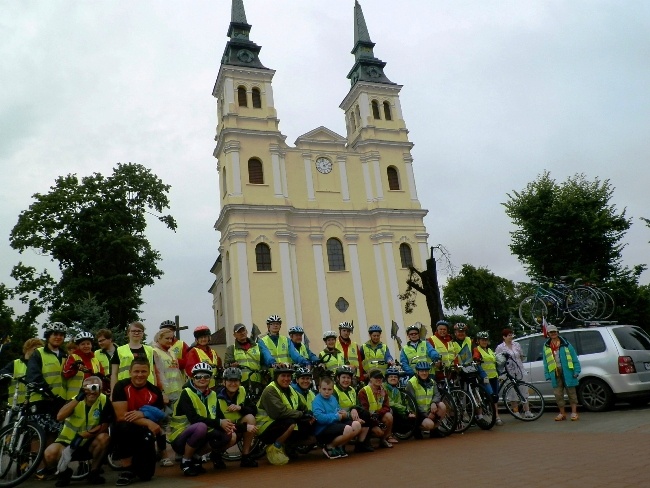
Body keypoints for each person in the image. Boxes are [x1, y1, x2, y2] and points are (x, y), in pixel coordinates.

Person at [43, 376, 113, 487]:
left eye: (94, 387)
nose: (91, 391)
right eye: (87, 388)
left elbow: (104, 426)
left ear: (101, 389)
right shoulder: (75, 400)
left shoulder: (104, 400)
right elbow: (60, 417)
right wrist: (77, 399)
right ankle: (64, 473)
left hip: (88, 443)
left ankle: (94, 472)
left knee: (104, 438)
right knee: (49, 454)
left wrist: (87, 434)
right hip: (68, 443)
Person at [169, 363, 236, 476]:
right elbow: (194, 419)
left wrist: (230, 426)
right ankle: (186, 461)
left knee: (229, 435)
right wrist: (219, 422)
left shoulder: (213, 394)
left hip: (201, 435)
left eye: (206, 376)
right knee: (201, 427)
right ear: (192, 378)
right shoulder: (186, 393)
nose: (202, 379)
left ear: (210, 378)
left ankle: (196, 456)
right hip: (180, 437)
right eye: (198, 376)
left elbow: (220, 417)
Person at [111, 358, 166, 486]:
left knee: (146, 476)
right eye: (136, 371)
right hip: (125, 427)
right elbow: (121, 416)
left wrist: (143, 413)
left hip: (143, 431)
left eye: (143, 371)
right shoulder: (121, 386)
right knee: (123, 427)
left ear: (149, 373)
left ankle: (139, 463)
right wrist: (147, 422)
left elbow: (158, 416)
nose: (139, 375)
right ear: (130, 372)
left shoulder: (155, 391)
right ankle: (126, 470)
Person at [26, 321, 68, 465]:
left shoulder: (65, 355)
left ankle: (47, 466)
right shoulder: (38, 353)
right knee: (37, 435)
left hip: (58, 401)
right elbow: (33, 375)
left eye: (61, 335)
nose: (58, 337)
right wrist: (47, 392)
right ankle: (36, 467)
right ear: (48, 336)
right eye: (55, 334)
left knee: (52, 433)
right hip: (40, 399)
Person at [255, 364, 315, 464]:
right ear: (276, 377)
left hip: (280, 423)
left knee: (308, 424)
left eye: (288, 376)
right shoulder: (270, 390)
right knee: (290, 422)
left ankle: (289, 446)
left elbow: (301, 405)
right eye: (283, 376)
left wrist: (308, 414)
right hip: (265, 427)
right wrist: (301, 414)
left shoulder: (290, 389)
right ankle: (274, 449)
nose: (286, 379)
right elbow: (279, 412)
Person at [216, 367, 258, 468]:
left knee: (250, 418)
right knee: (232, 437)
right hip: (222, 429)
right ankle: (216, 455)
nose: (233, 384)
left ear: (240, 382)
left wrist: (240, 408)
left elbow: (254, 410)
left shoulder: (243, 391)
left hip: (237, 426)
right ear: (224, 382)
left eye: (236, 381)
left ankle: (245, 456)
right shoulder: (216, 395)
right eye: (230, 380)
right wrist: (244, 428)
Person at [312, 376, 362, 459]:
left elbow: (338, 410)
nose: (327, 392)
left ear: (332, 390)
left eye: (329, 389)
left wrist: (345, 414)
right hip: (322, 429)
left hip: (335, 424)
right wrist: (336, 416)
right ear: (319, 388)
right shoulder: (317, 401)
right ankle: (329, 447)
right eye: (324, 389)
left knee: (357, 425)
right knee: (348, 429)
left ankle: (339, 446)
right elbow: (320, 418)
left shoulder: (333, 398)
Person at [542, 324, 581, 421]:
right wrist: (547, 374)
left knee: (571, 393)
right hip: (555, 373)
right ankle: (562, 413)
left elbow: (574, 357)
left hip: (568, 372)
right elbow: (545, 362)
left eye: (555, 331)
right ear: (548, 334)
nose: (553, 333)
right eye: (551, 332)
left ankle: (574, 413)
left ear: (557, 332)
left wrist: (576, 370)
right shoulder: (546, 346)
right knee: (558, 394)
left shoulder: (566, 344)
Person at [495, 328, 533, 418]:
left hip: (520, 369)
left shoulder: (517, 344)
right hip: (509, 371)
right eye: (509, 335)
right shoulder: (500, 347)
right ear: (504, 337)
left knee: (524, 391)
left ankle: (527, 411)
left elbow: (521, 356)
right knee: (513, 393)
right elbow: (498, 361)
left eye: (511, 335)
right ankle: (516, 412)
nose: (511, 337)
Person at [333, 366, 372, 452]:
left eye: (348, 378)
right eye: (343, 377)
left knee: (366, 414)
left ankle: (361, 444)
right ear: (337, 378)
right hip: (340, 417)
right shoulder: (334, 390)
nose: (346, 380)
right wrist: (352, 416)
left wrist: (353, 409)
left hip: (352, 415)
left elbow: (358, 405)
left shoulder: (352, 390)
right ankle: (340, 445)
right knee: (356, 423)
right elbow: (335, 409)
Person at [111, 321, 156, 393]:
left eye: (139, 331)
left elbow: (153, 372)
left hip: (147, 387)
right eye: (133, 331)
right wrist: (113, 392)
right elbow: (114, 374)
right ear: (128, 333)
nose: (136, 333)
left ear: (143, 333)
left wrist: (155, 389)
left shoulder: (149, 350)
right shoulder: (119, 350)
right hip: (125, 387)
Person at [405, 361, 447, 436]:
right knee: (429, 425)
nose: (424, 373)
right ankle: (416, 428)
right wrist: (425, 415)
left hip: (430, 410)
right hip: (418, 413)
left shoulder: (432, 382)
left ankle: (434, 431)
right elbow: (412, 403)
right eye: (421, 371)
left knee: (442, 405)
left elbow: (437, 395)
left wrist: (433, 403)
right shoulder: (411, 383)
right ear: (417, 372)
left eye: (426, 371)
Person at [0, 338, 43, 408]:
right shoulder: (15, 364)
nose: (37, 352)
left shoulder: (41, 365)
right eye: (35, 349)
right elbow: (2, 374)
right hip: (15, 407)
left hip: (34, 405)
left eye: (39, 351)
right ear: (27, 349)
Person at [62, 331, 104, 400]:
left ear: (91, 345)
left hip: (92, 397)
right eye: (83, 344)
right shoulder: (73, 357)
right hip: (75, 397)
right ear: (78, 346)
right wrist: (75, 367)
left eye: (88, 344)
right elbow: (66, 374)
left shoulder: (95, 360)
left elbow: (101, 378)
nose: (86, 346)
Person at [358, 368, 394, 448]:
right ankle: (366, 439)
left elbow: (386, 406)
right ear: (370, 379)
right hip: (367, 420)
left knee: (389, 416)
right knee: (379, 432)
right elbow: (364, 410)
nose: (379, 380)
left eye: (380, 378)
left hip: (377, 417)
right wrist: (376, 421)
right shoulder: (363, 391)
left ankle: (383, 440)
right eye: (376, 378)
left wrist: (378, 413)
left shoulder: (383, 391)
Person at [473, 331, 503, 425]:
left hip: (494, 376)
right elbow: (475, 357)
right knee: (482, 396)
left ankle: (496, 416)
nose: (484, 341)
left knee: (495, 397)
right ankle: (480, 415)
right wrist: (477, 359)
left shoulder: (489, 350)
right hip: (484, 377)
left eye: (486, 340)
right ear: (478, 341)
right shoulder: (477, 349)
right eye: (482, 340)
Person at [152, 327, 185, 406]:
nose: (170, 341)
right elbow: (156, 374)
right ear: (159, 338)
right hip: (166, 393)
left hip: (177, 390)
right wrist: (161, 392)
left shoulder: (171, 352)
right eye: (167, 338)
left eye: (171, 338)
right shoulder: (154, 352)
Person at [384, 367, 416, 438]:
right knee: (392, 409)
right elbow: (389, 403)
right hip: (385, 412)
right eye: (391, 377)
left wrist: (409, 412)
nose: (393, 378)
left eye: (395, 377)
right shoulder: (383, 388)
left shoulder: (397, 391)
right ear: (386, 378)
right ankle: (388, 436)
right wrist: (405, 410)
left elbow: (400, 403)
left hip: (396, 411)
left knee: (410, 422)